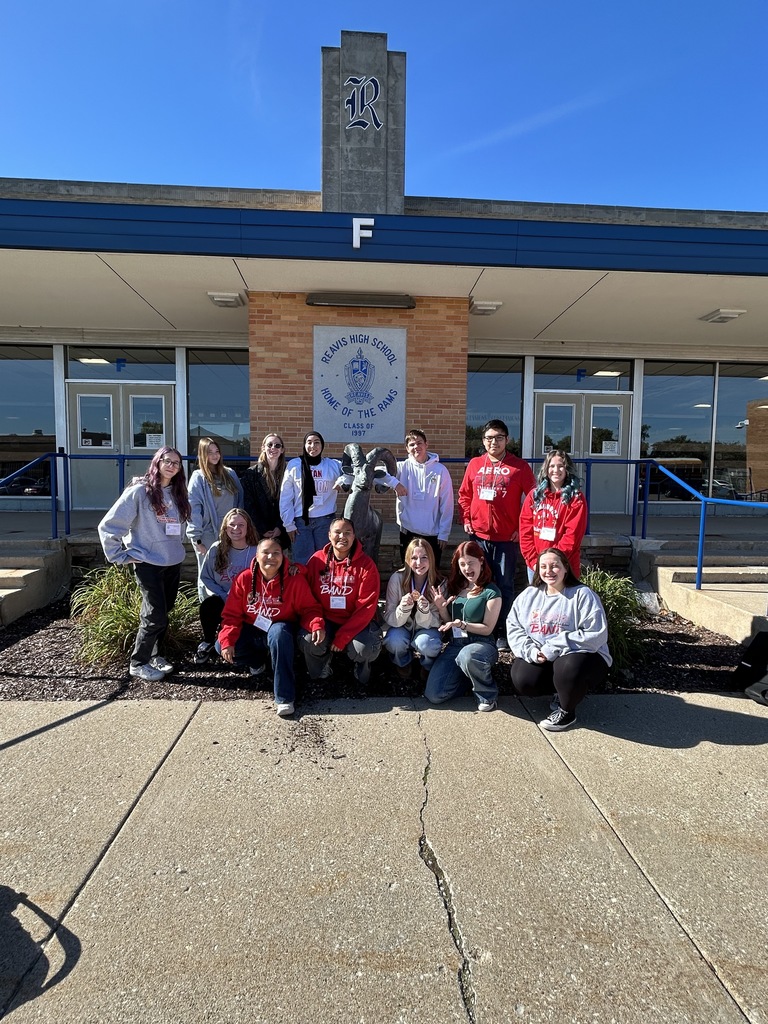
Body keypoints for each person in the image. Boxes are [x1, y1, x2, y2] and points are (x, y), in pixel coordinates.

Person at [98, 446, 191, 682]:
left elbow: (177, 527)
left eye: (176, 463)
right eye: (167, 461)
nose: (171, 466)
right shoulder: (140, 491)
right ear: (157, 463)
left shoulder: (178, 492)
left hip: (172, 561)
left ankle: (155, 654)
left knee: (165, 611)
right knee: (155, 614)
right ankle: (138, 662)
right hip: (148, 562)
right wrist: (119, 555)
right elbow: (109, 525)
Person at [217, 538, 326, 717]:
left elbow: (310, 608)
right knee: (221, 646)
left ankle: (284, 697)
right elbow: (232, 615)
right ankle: (257, 662)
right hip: (253, 629)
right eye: (265, 552)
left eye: (276, 553)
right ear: (257, 556)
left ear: (283, 557)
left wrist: (316, 624)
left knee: (279, 633)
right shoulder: (244, 579)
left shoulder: (294, 579)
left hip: (280, 629)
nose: (271, 557)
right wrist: (227, 639)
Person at [506, 547, 611, 732]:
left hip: (583, 657)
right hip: (543, 656)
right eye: (543, 566)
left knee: (568, 667)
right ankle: (562, 691)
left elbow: (596, 633)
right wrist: (530, 651)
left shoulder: (581, 594)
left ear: (565, 568)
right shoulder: (529, 595)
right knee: (522, 679)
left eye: (555, 566)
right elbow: (514, 626)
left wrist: (553, 647)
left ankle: (567, 711)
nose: (549, 571)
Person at [458, 418, 535, 651]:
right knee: (480, 583)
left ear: (507, 440)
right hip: (479, 538)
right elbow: (464, 495)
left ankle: (503, 631)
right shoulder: (474, 464)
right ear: (483, 441)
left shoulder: (519, 467)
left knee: (504, 585)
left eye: (499, 437)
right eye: (489, 438)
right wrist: (467, 519)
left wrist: (522, 529)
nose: (494, 442)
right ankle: (480, 630)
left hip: (505, 540)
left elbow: (532, 500)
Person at [423, 541, 501, 711]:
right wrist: (442, 608)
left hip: (482, 645)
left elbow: (488, 628)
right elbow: (449, 622)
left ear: (481, 561)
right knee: (434, 695)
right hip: (455, 645)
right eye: (462, 564)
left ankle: (487, 694)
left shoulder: (491, 591)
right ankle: (469, 680)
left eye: (471, 563)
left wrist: (463, 624)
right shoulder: (455, 588)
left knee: (468, 655)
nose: (467, 569)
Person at [303, 517, 381, 684]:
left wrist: (343, 636)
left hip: (356, 621)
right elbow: (307, 597)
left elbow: (366, 607)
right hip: (326, 619)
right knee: (309, 640)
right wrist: (317, 624)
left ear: (354, 536)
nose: (342, 537)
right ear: (329, 535)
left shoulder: (366, 565)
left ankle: (361, 671)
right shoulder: (317, 560)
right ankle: (321, 668)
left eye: (347, 533)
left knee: (365, 649)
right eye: (337, 532)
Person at [195, 508, 260, 665]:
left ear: (248, 527)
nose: (236, 529)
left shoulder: (257, 550)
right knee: (209, 606)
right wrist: (224, 595)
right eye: (232, 525)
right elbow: (206, 577)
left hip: (247, 601)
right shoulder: (216, 549)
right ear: (225, 528)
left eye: (241, 525)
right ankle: (209, 640)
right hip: (222, 598)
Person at [519, 450, 588, 579]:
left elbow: (572, 537)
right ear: (546, 469)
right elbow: (525, 531)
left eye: (561, 466)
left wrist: (552, 563)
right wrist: (535, 562)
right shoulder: (534, 496)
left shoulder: (575, 499)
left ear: (567, 469)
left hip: (563, 565)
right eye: (551, 466)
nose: (556, 470)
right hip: (536, 566)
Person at [383, 537, 445, 679]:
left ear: (431, 559)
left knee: (427, 644)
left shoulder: (440, 583)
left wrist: (425, 611)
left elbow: (438, 621)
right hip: (402, 626)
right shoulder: (396, 579)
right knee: (394, 641)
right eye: (414, 558)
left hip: (427, 629)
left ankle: (427, 664)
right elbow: (389, 616)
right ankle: (403, 662)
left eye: (424, 557)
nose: (419, 563)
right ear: (407, 560)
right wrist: (403, 609)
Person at [390, 429, 454, 567]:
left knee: (431, 573)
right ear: (407, 448)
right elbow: (378, 474)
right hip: (408, 531)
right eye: (412, 444)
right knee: (409, 572)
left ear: (426, 444)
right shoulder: (401, 468)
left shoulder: (440, 470)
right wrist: (395, 483)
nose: (416, 447)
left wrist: (444, 533)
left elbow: (447, 504)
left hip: (433, 533)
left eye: (419, 443)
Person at [280, 431, 343, 564]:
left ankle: (323, 586)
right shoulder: (294, 465)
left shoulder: (333, 465)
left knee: (326, 561)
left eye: (316, 442)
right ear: (304, 445)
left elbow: (351, 475)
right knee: (303, 563)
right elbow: (285, 496)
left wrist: (342, 480)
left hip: (325, 521)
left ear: (322, 446)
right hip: (300, 523)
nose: (312, 446)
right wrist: (288, 524)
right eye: (309, 442)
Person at [186, 438, 244, 582]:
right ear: (202, 454)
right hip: (208, 534)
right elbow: (194, 508)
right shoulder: (198, 477)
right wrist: (196, 538)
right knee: (209, 573)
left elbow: (240, 501)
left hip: (230, 532)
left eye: (217, 451)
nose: (214, 455)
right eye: (210, 452)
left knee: (230, 573)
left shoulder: (230, 474)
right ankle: (207, 603)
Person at [241, 432, 290, 549]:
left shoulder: (289, 473)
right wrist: (262, 529)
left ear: (282, 450)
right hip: (258, 533)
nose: (273, 448)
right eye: (269, 445)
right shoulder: (251, 474)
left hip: (282, 533)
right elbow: (248, 504)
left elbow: (290, 502)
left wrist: (279, 527)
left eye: (277, 445)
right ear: (263, 448)